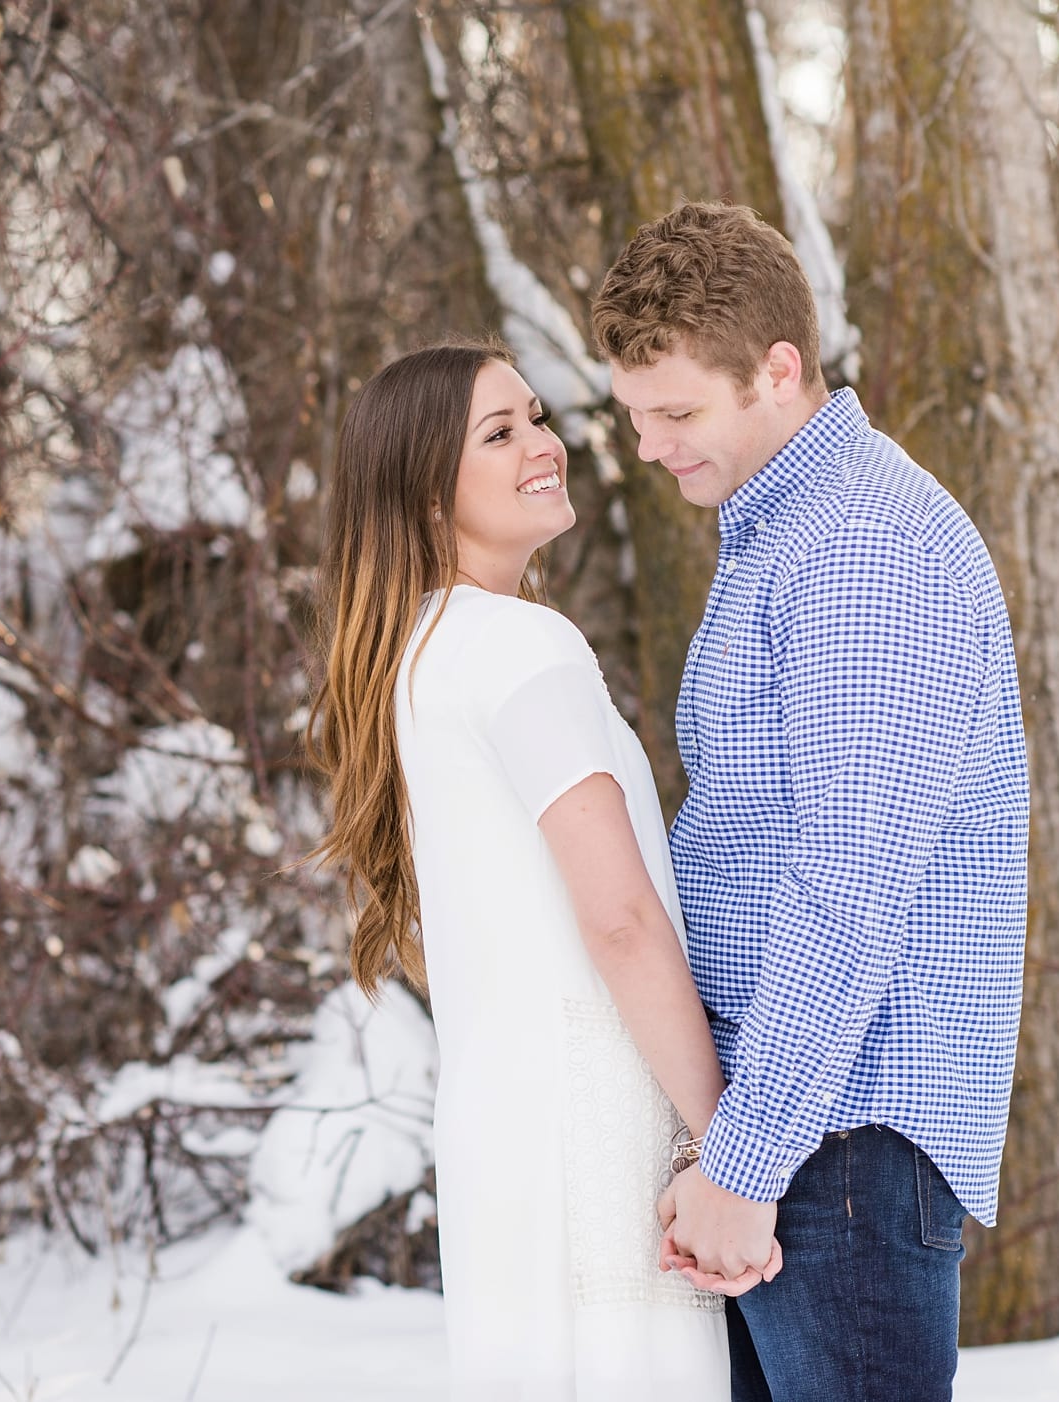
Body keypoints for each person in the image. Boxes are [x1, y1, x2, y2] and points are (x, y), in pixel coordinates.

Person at [590, 201, 1029, 1402]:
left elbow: (851, 884)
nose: (650, 447)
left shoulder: (859, 550)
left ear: (778, 370)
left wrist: (745, 1158)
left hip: (837, 1147)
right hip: (801, 1136)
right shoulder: (793, 533)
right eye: (635, 417)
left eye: (676, 413)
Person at [307, 339, 751, 1398]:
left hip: (500, 1138)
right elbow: (622, 921)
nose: (541, 445)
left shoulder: (420, 654)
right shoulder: (520, 648)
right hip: (596, 1140)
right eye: (498, 435)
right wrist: (724, 1142)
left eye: (537, 418)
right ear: (424, 497)